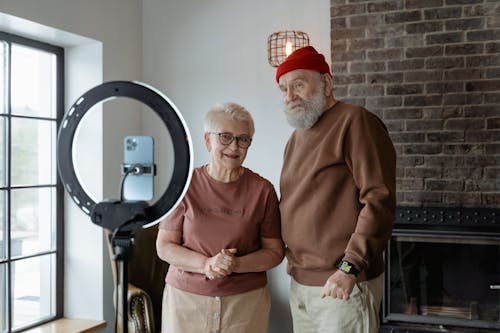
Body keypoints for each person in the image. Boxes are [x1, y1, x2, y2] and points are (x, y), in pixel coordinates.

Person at [275, 46, 396, 332]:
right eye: (283, 89)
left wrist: (349, 268)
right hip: (301, 287)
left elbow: (378, 199)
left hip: (343, 285)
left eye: (299, 84)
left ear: (326, 83)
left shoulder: (355, 121)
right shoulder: (295, 138)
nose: (290, 96)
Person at [156, 102, 284, 333]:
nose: (234, 146)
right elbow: (164, 247)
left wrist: (235, 264)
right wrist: (206, 264)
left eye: (243, 139)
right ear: (207, 140)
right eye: (225, 137)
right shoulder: (184, 185)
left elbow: (275, 252)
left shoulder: (262, 190)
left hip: (245, 304)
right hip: (186, 301)